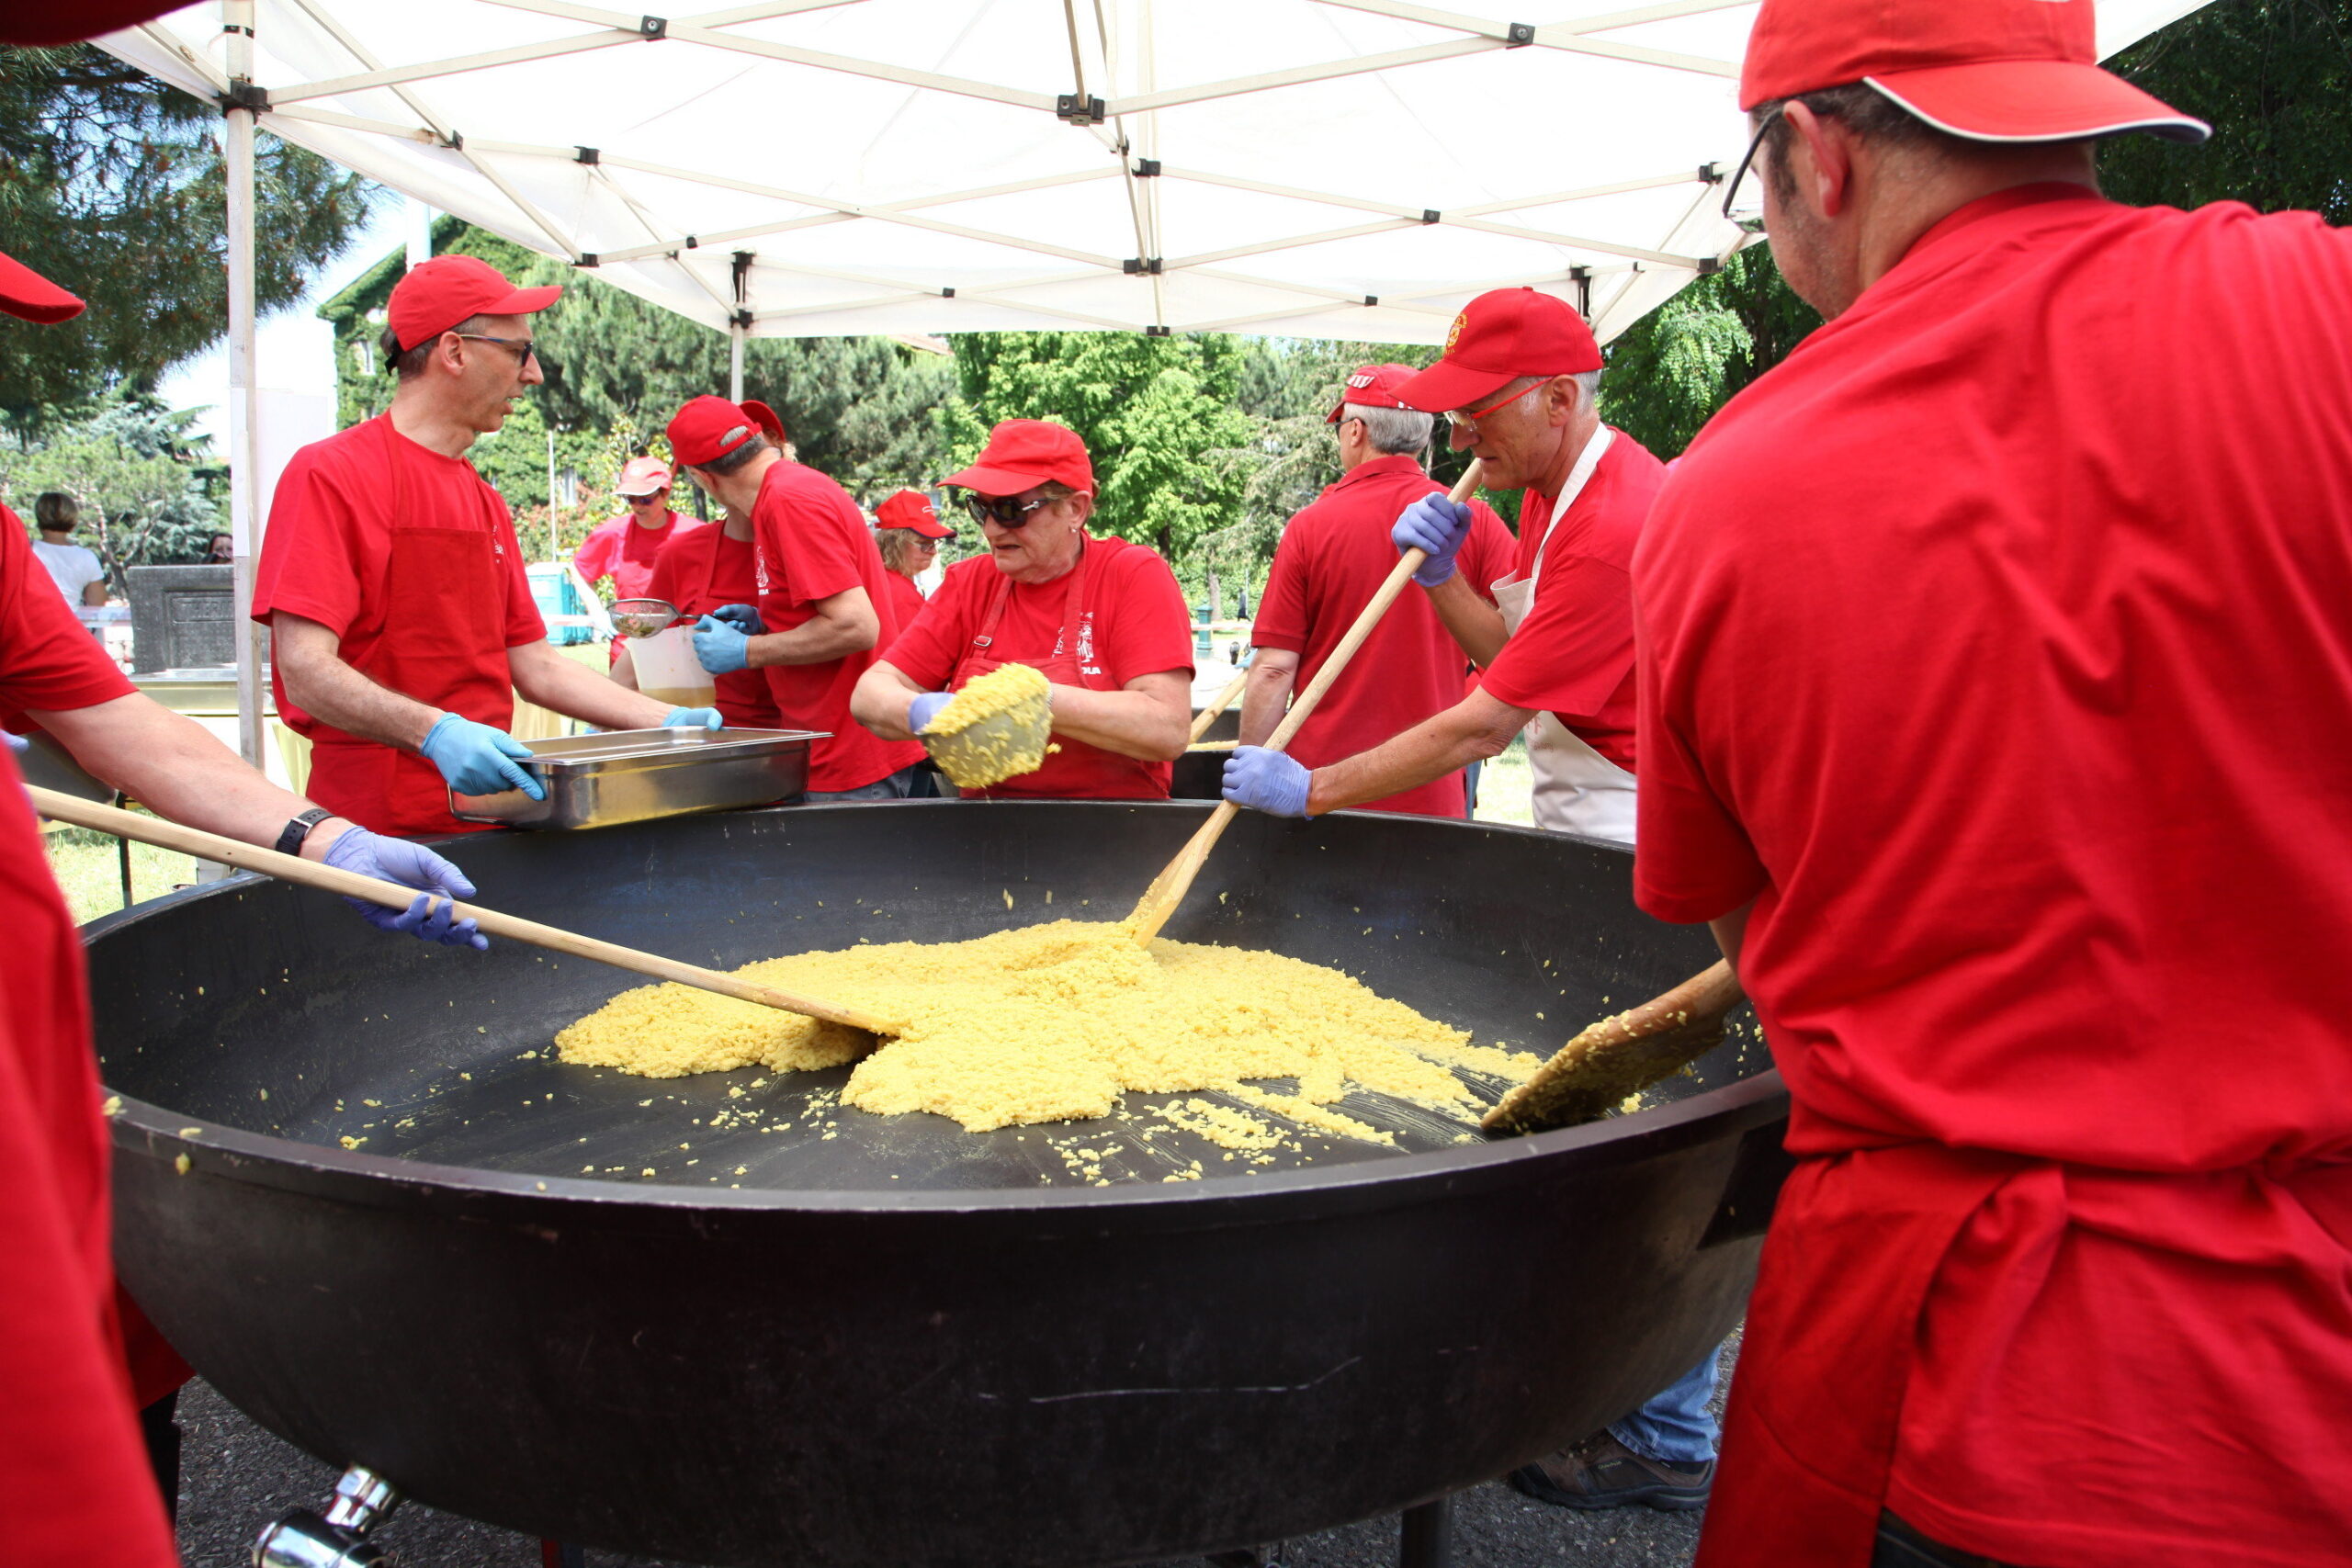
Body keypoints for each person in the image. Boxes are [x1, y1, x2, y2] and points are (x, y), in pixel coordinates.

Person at [1632, 3, 2352, 1565]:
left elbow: (1750, 937)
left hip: (1960, 1379)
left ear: (1816, 159)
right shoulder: (2330, 305)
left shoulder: (1722, 499)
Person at [0, 244, 486, 1568]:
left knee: (86, 1351)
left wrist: (324, 838)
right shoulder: (338, 474)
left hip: (20, 1040)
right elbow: (306, 669)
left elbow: (123, 728)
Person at [1220, 293, 1717, 1507]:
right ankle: (1615, 1386)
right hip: (1585, 791)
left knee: (1658, 1113)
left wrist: (1317, 784)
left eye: (1480, 412)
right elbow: (1504, 648)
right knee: (1606, 1094)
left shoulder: (1614, 516)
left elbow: (1487, 713)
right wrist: (1446, 575)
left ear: (1559, 395)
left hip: (1646, 810)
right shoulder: (1546, 493)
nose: (1459, 439)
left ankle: (1669, 1431)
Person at [253, 255, 718, 839]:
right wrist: (435, 733)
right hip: (375, 831)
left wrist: (671, 724)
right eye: (520, 351)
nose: (535, 374)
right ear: (454, 351)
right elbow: (304, 671)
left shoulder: (484, 499)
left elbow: (539, 667)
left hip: (495, 812)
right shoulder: (332, 472)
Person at [851, 419, 1193, 798]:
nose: (993, 530)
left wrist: (1036, 698)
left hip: (1116, 829)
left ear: (1075, 509)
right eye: (982, 509)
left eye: (1012, 510)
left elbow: (1167, 729)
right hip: (992, 830)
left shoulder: (1131, 575)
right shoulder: (971, 583)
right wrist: (921, 712)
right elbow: (869, 694)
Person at [1240, 363, 1512, 818]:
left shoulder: (1310, 527)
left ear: (1356, 432)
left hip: (1314, 792)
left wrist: (1253, 771)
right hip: (1430, 790)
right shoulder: (1475, 520)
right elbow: (1522, 646)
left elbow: (1273, 670)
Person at [663, 395, 925, 800]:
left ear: (703, 477)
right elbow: (826, 608)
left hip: (849, 754)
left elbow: (856, 626)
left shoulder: (787, 500)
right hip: (833, 745)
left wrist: (749, 649)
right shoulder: (785, 492)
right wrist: (770, 618)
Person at [616, 488, 782, 730]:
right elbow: (628, 673)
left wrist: (753, 644)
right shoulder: (683, 554)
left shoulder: (812, 550)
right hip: (708, 735)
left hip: (802, 734)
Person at [572, 455, 698, 604]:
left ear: (665, 494)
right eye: (631, 499)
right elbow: (579, 570)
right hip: (631, 626)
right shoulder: (612, 532)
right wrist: (600, 617)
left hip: (684, 626)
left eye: (645, 500)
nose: (638, 506)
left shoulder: (694, 534)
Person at [872, 487, 950, 630]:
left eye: (934, 543)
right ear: (895, 543)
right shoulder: (901, 594)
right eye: (924, 544)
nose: (933, 551)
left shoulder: (882, 579)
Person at [30, 491, 108, 607]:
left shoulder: (24, 552)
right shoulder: (87, 557)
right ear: (73, 521)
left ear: (39, 519)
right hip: (68, 623)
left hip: (28, 624)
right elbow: (98, 605)